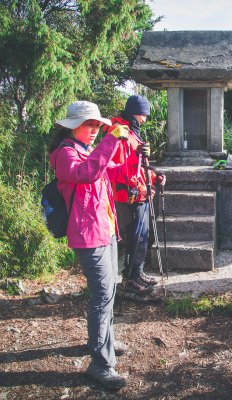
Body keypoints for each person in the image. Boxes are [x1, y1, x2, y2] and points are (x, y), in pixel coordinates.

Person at [49, 100, 130, 390]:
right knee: (102, 295)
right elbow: (87, 174)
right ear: (73, 127)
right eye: (89, 125)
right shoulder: (65, 154)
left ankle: (101, 342)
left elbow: (113, 168)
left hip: (105, 230)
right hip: (87, 234)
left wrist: (129, 148)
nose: (95, 130)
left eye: (98, 125)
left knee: (109, 291)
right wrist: (110, 139)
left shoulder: (87, 149)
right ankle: (100, 364)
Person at [105, 94, 166, 295]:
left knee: (142, 236)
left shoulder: (133, 133)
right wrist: (139, 157)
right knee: (134, 237)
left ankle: (137, 273)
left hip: (139, 192)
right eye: (143, 115)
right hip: (128, 195)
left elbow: (138, 167)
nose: (145, 120)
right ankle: (129, 279)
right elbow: (117, 167)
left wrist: (154, 177)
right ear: (135, 114)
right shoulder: (119, 132)